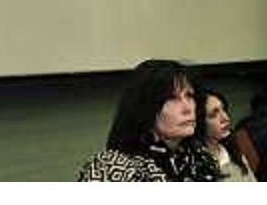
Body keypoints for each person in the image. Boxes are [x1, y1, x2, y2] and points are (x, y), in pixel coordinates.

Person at [78, 59, 220, 182]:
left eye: (189, 96)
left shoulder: (201, 158)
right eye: (172, 98)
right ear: (145, 108)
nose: (187, 108)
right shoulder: (110, 166)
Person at [195, 88, 257, 182]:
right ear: (200, 123)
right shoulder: (199, 167)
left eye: (223, 109)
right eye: (214, 115)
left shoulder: (232, 149)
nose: (225, 118)